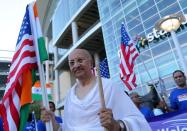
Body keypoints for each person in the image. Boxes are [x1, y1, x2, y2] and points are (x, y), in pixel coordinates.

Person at [41, 49, 151, 131]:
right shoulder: (70, 95)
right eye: (72, 63)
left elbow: (138, 121)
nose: (76, 65)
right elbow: (66, 128)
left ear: (91, 63)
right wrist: (52, 122)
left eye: (80, 60)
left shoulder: (109, 86)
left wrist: (117, 125)